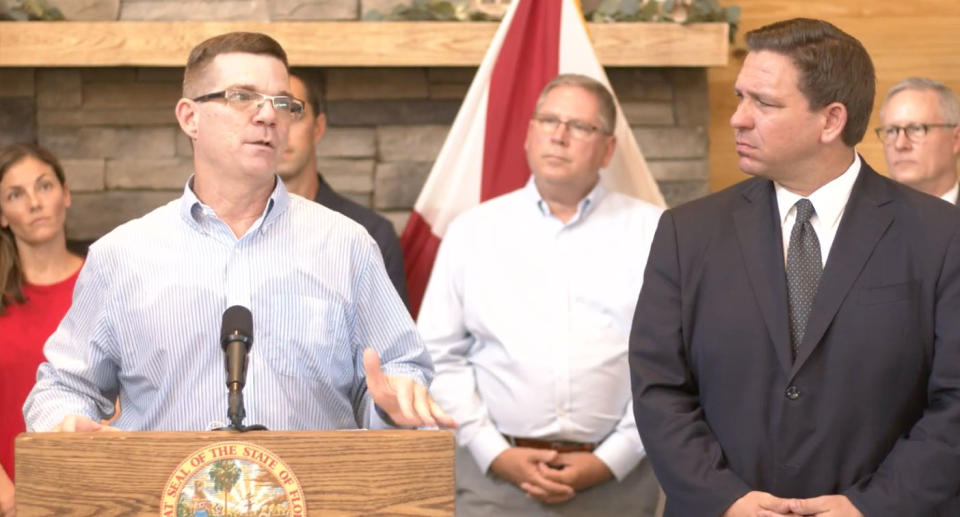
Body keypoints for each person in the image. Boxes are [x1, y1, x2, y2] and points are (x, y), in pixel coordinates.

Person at [23, 32, 454, 434]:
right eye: (242, 97)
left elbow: (399, 370)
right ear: (189, 117)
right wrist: (66, 424)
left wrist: (394, 403)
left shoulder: (347, 245)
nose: (268, 115)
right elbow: (63, 388)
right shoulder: (121, 256)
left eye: (282, 103)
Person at [630, 18, 960, 517]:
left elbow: (955, 402)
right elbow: (658, 388)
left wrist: (869, 507)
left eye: (763, 103)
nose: (738, 118)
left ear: (830, 121)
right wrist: (725, 500)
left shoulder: (941, 235)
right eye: (741, 97)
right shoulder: (686, 233)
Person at [420, 74, 663, 516]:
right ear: (529, 134)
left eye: (580, 126)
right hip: (494, 478)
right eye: (548, 120)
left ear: (608, 148)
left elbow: (674, 361)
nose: (559, 135)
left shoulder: (657, 233)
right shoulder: (473, 231)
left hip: (621, 482)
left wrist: (614, 458)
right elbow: (439, 354)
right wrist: (493, 451)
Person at [0, 143, 84, 517]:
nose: (34, 202)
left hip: (97, 495)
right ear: (2, 215)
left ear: (65, 195)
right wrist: (9, 500)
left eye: (44, 186)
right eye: (15, 195)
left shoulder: (105, 283)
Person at [277, 69, 408, 304]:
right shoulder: (233, 230)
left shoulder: (371, 234)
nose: (280, 130)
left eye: (293, 112)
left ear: (318, 128)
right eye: (267, 118)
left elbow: (390, 340)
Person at [878, 77, 960, 203]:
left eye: (916, 129)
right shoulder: (861, 218)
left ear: (956, 139)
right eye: (891, 131)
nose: (900, 144)